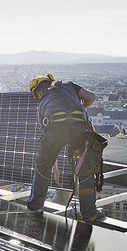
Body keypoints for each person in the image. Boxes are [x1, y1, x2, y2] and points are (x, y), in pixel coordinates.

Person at [27, 75, 105, 223]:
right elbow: (91, 97)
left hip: (55, 128)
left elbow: (49, 144)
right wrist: (79, 107)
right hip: (79, 127)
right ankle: (89, 213)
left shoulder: (42, 102)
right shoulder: (68, 86)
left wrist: (55, 170)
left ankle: (35, 207)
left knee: (42, 167)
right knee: (86, 168)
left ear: (37, 93)